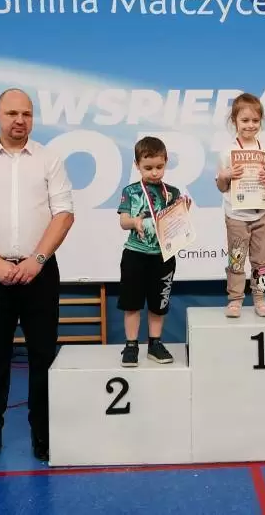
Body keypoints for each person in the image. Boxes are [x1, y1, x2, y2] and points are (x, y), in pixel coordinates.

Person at [0, 88, 74, 464]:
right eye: (12, 113)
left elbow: (64, 214)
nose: (19, 120)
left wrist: (36, 260)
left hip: (40, 270)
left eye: (26, 113)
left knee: (43, 355)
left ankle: (43, 430)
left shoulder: (49, 159)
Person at [117, 136, 189, 367]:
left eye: (159, 166)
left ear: (166, 162)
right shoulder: (131, 191)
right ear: (137, 165)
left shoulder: (172, 192)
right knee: (132, 303)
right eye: (148, 168)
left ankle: (155, 344)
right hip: (135, 255)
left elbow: (177, 223)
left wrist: (184, 211)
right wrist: (134, 222)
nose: (155, 172)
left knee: (159, 303)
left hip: (163, 256)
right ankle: (131, 345)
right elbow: (123, 221)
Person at [215, 92, 265, 317]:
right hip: (236, 216)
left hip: (263, 214)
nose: (250, 125)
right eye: (245, 120)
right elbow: (221, 186)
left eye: (255, 120)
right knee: (236, 259)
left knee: (262, 261)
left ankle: (260, 298)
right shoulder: (227, 152)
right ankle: (235, 299)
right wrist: (225, 175)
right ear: (234, 120)